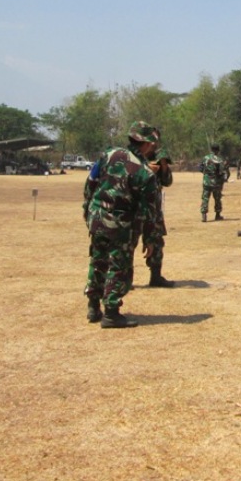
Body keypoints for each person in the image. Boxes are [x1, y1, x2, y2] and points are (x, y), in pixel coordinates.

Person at [83, 121, 162, 329]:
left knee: (98, 260)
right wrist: (150, 240)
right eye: (152, 144)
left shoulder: (109, 154)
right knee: (119, 266)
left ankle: (93, 306)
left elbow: (90, 182)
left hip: (97, 216)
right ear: (146, 143)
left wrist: (87, 210)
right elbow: (149, 212)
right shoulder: (145, 173)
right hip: (120, 224)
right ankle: (111, 312)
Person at [146, 141, 175, 287]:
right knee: (128, 244)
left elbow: (168, 182)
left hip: (154, 210)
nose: (153, 145)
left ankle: (155, 276)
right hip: (134, 209)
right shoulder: (133, 157)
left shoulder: (160, 155)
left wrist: (163, 167)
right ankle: (125, 278)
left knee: (157, 243)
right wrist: (146, 169)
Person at [200, 143, 227, 222]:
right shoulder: (219, 160)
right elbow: (221, 173)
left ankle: (204, 215)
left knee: (205, 198)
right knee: (217, 198)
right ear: (218, 150)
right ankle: (217, 215)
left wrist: (207, 175)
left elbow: (201, 168)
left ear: (211, 149)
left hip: (206, 181)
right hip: (216, 182)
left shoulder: (205, 158)